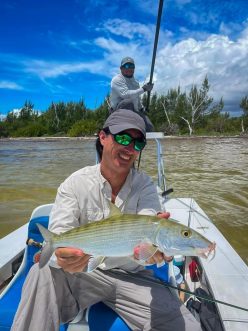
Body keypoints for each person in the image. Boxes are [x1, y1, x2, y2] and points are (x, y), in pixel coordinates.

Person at [11, 109, 201, 331]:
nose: (129, 148)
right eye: (122, 138)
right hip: (83, 275)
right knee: (41, 271)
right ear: (103, 137)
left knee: (188, 327)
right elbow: (60, 234)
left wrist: (151, 253)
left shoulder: (146, 187)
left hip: (134, 277)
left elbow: (149, 228)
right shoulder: (74, 184)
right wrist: (62, 258)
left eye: (138, 143)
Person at [110, 57, 154, 131]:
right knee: (128, 102)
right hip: (118, 110)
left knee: (149, 127)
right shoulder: (116, 79)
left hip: (134, 110)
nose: (129, 68)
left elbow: (137, 97)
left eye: (132, 66)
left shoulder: (136, 82)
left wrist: (142, 109)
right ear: (121, 68)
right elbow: (126, 94)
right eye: (126, 66)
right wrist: (144, 89)